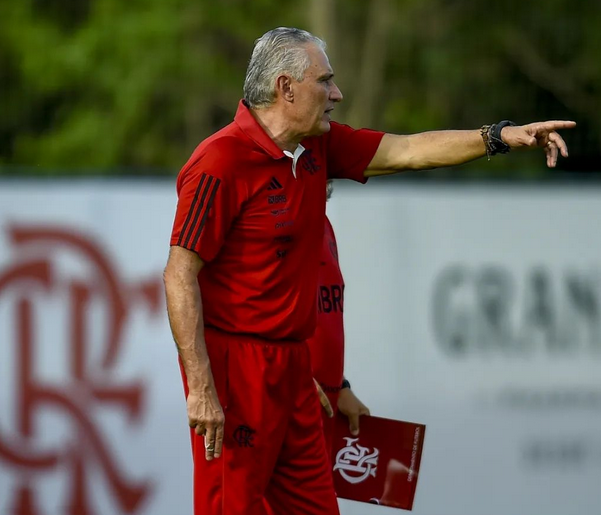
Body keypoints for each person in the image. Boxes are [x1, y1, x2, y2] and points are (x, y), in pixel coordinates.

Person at [163, 27, 574, 515]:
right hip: (236, 375)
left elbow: (409, 150)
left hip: (295, 372)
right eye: (325, 82)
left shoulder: (317, 145)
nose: (336, 94)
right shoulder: (220, 160)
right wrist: (202, 389)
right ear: (285, 87)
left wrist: (500, 136)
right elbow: (178, 275)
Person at [310, 181, 370, 458]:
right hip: (284, 402)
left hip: (322, 406)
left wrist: (340, 386)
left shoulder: (323, 227)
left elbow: (322, 322)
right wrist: (288, 379)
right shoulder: (269, 233)